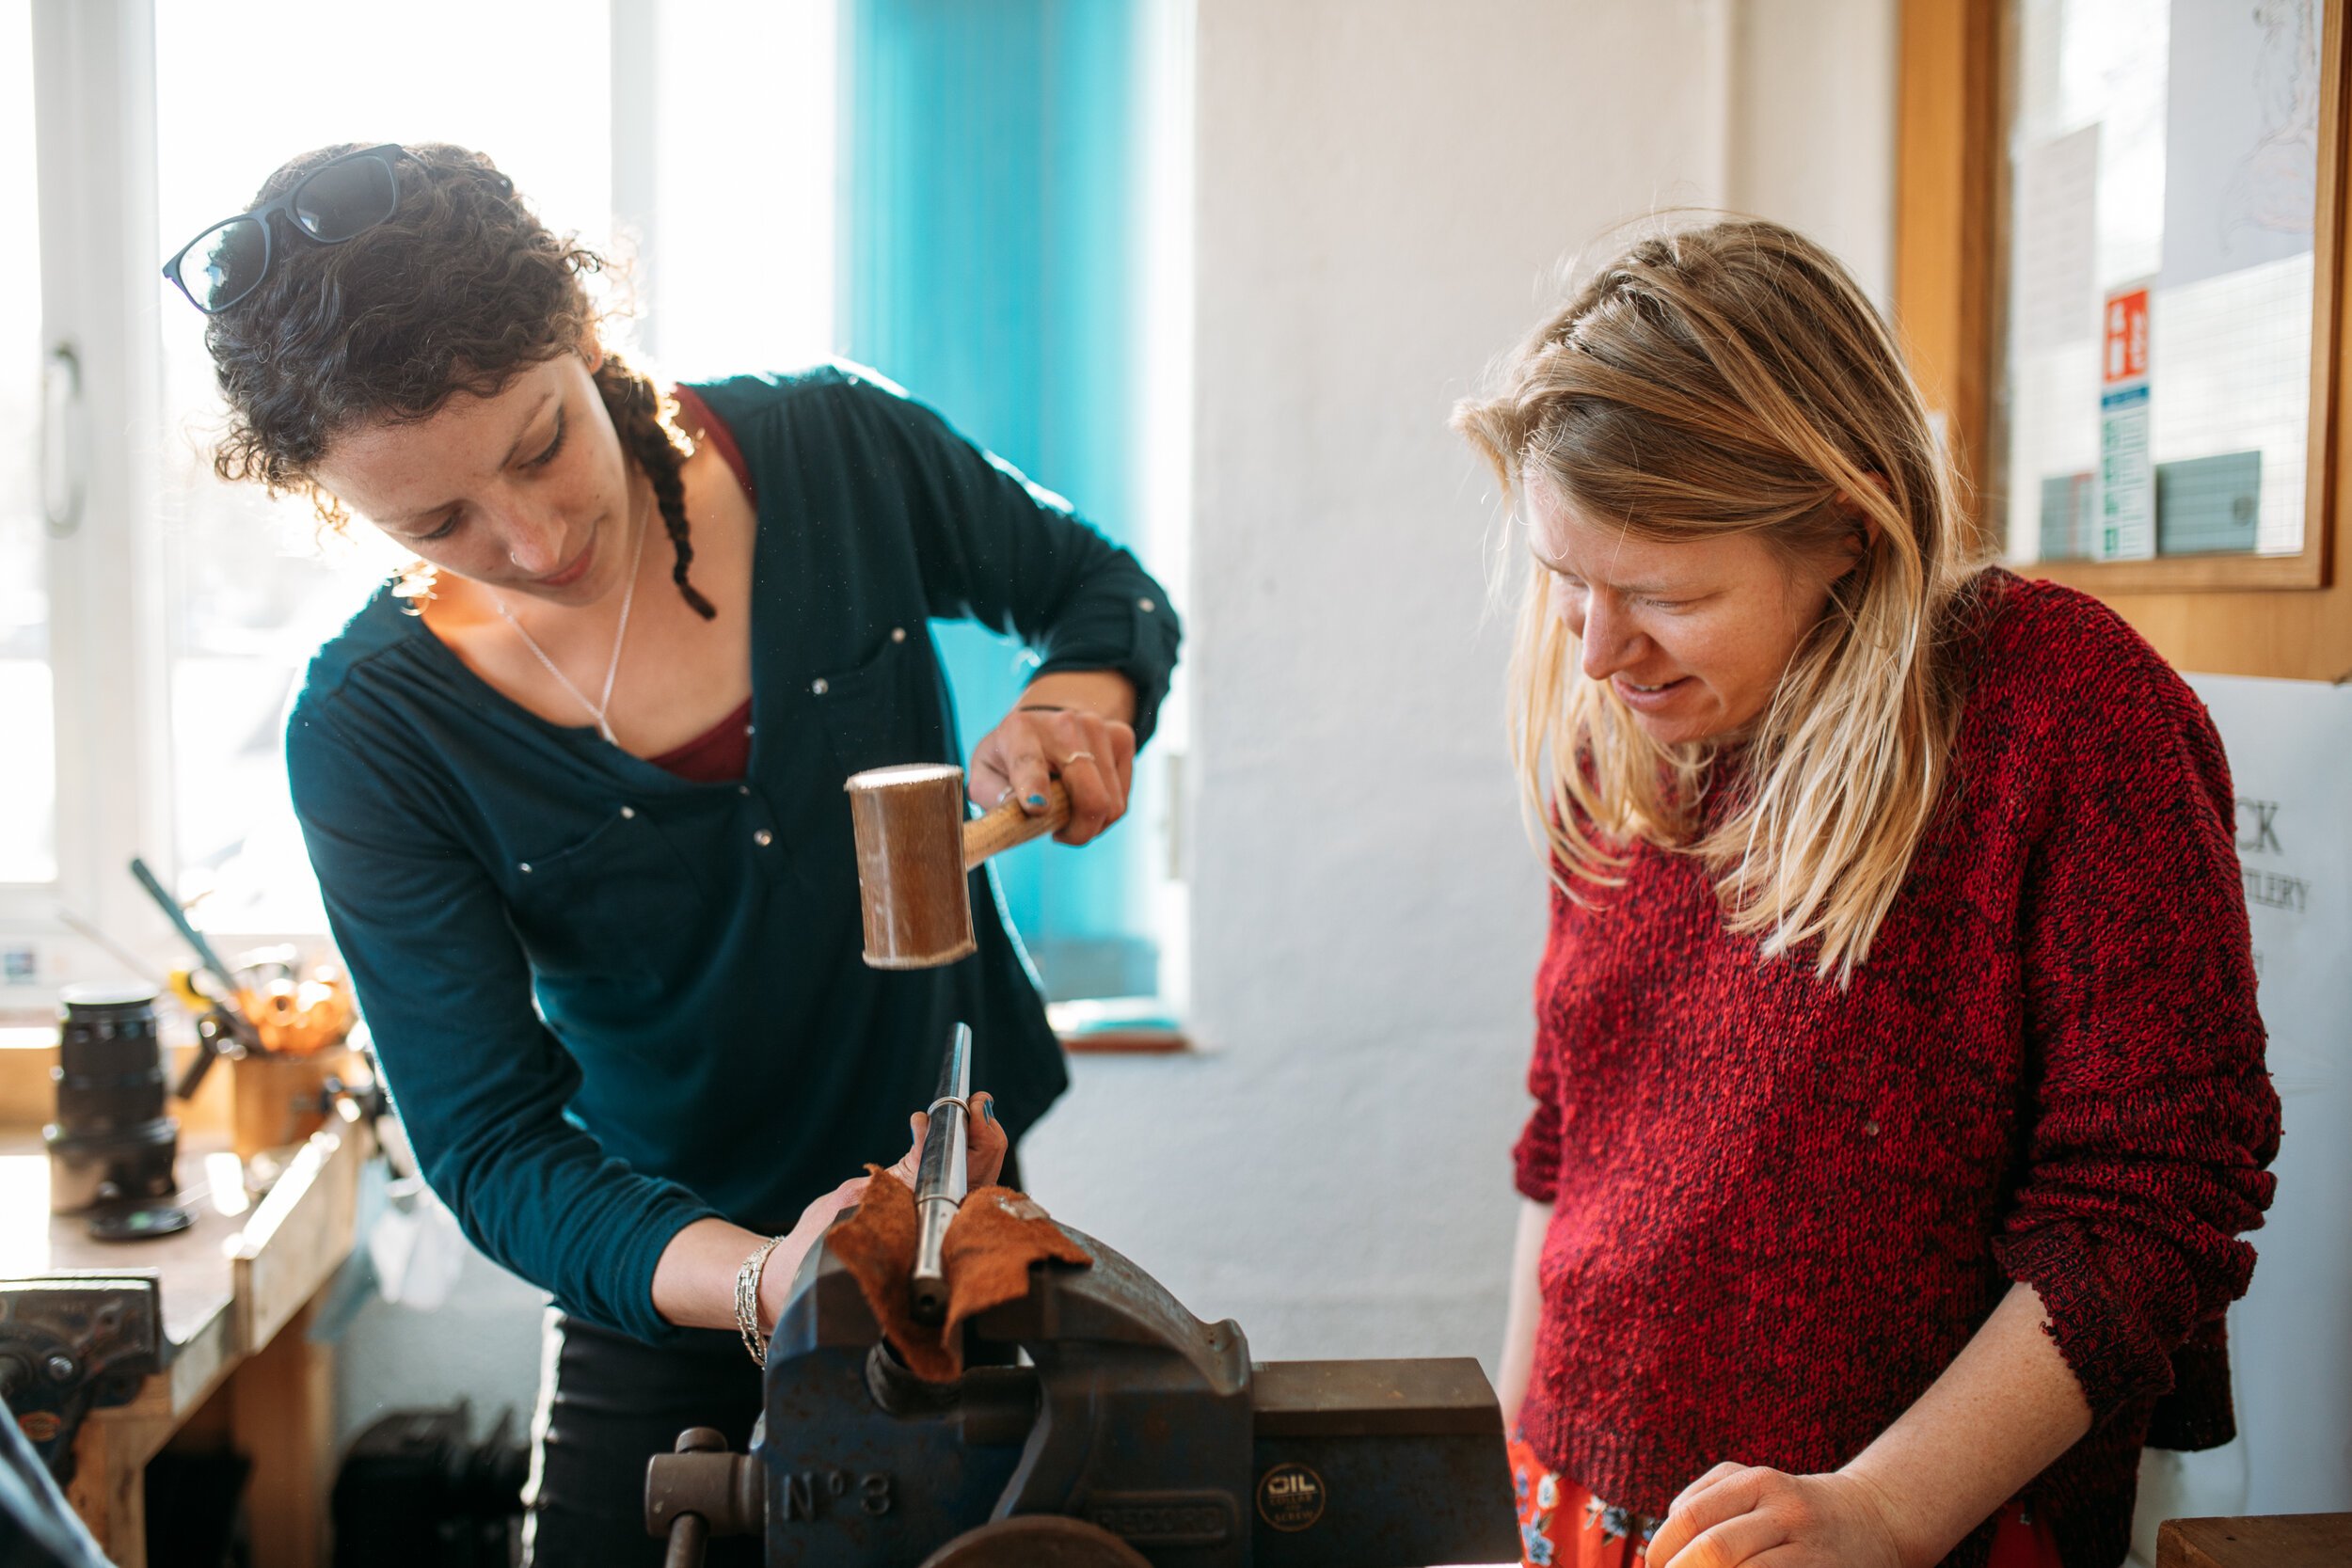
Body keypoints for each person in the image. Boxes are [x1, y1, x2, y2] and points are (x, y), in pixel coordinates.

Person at [167, 141, 1180, 1564]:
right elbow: (492, 1144)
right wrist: (768, 1282)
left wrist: (1076, 707)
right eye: (437, 522)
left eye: (539, 446)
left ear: (585, 335)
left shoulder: (840, 453)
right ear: (345, 510)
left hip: (958, 1226)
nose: (531, 537)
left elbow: (1098, 592)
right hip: (658, 1273)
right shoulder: (371, 733)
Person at [1453, 219, 2278, 1568]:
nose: (1598, 652)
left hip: (1919, 1525)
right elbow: (1569, 1132)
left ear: (1845, 523)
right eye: (1564, 583)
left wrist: (1889, 1507)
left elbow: (2153, 1202)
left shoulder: (2066, 716)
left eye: (1660, 592)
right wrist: (1501, 1462)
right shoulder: (1624, 725)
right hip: (1577, 1495)